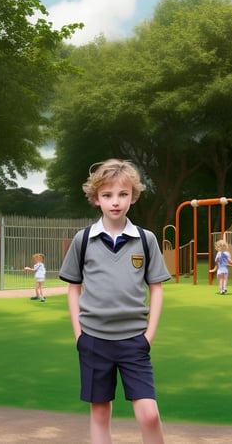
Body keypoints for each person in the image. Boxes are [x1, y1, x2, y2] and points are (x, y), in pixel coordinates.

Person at [59, 159, 170, 444]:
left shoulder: (146, 240)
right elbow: (73, 288)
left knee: (149, 415)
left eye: (122, 194)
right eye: (107, 195)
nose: (115, 202)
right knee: (99, 414)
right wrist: (79, 335)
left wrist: (148, 336)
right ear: (96, 199)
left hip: (134, 341)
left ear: (133, 196)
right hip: (94, 340)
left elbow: (156, 288)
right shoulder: (83, 240)